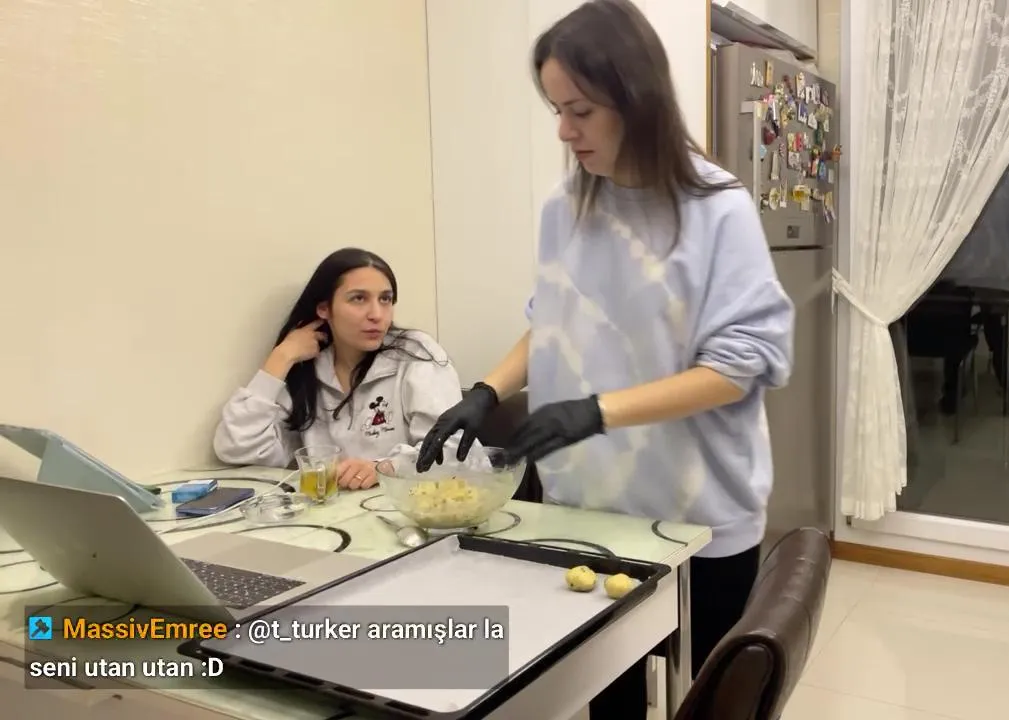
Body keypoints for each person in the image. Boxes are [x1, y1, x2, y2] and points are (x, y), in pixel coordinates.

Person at [416, 1, 794, 716]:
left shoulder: (717, 209)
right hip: (587, 509)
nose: (565, 131)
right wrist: (486, 391)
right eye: (557, 110)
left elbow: (738, 366)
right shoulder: (565, 208)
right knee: (606, 694)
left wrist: (597, 412)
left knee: (702, 698)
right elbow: (550, 323)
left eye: (581, 111)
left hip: (698, 515)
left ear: (636, 98)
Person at [213, 247, 464, 489]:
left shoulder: (416, 354)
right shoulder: (307, 367)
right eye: (359, 298)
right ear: (324, 308)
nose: (377, 314)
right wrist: (281, 357)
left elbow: (455, 449)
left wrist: (387, 467)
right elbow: (238, 447)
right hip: (335, 510)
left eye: (385, 299)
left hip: (412, 507)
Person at [939, 169, 1009, 414]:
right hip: (996, 275)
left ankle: (950, 396)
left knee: (955, 333)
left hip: (957, 274)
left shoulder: (959, 179)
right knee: (998, 335)